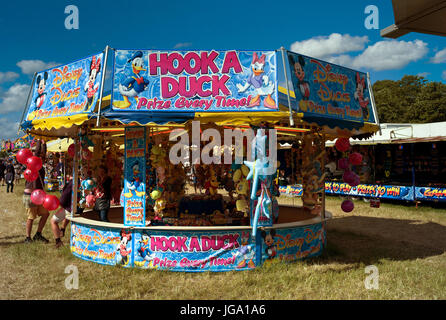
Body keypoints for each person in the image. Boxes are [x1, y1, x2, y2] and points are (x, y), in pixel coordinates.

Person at [23, 141, 49, 243]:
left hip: (39, 195)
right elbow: (38, 154)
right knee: (31, 217)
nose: (40, 158)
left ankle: (38, 234)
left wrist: (44, 144)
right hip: (30, 195)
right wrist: (39, 140)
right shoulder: (31, 164)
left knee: (46, 214)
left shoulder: (40, 165)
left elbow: (42, 154)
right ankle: (27, 238)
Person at [51, 175, 72, 248]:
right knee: (65, 213)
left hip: (70, 208)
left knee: (53, 221)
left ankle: (58, 241)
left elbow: (63, 200)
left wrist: (60, 203)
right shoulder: (79, 181)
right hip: (76, 207)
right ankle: (62, 229)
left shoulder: (71, 184)